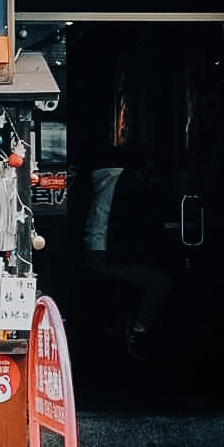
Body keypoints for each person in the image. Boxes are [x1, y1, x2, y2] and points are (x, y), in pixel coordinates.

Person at [82, 143, 170, 359]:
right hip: (108, 254)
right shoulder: (128, 183)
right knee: (161, 283)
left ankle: (121, 324)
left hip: (96, 250)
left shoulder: (104, 180)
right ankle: (138, 331)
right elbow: (147, 218)